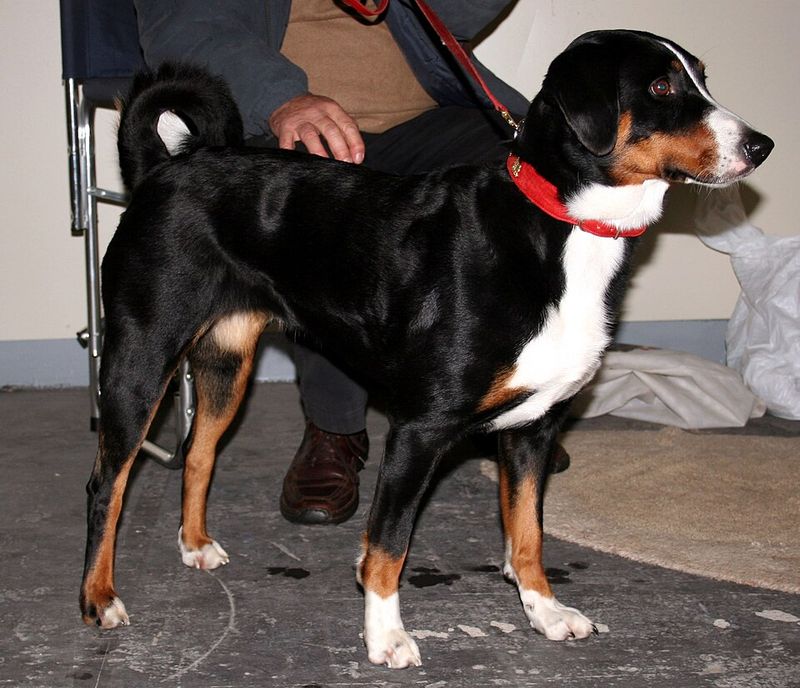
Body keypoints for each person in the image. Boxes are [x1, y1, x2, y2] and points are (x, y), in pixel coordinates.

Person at [133, 0, 568, 526]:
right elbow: (181, 21)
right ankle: (333, 428)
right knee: (319, 215)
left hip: (430, 116)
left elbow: (467, 12)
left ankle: (505, 400)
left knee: (539, 181)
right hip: (290, 123)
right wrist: (280, 97)